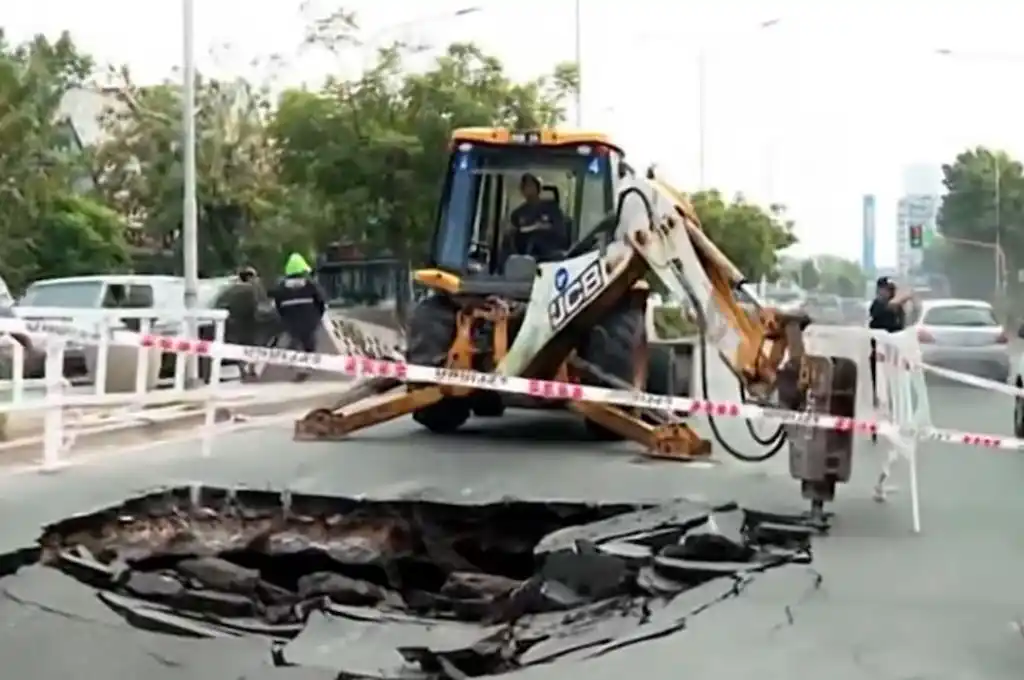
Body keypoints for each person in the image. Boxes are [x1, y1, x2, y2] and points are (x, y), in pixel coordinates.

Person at [867, 276, 913, 443]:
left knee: (897, 390)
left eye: (890, 289)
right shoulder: (877, 305)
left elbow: (904, 327)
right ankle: (875, 427)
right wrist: (902, 298)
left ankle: (897, 424)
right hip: (878, 357)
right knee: (878, 391)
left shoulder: (898, 308)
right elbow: (887, 308)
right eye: (885, 289)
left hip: (894, 355)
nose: (887, 292)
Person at [269, 253, 327, 381]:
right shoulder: (310, 284)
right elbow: (321, 301)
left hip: (291, 321)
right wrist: (318, 317)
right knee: (309, 343)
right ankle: (308, 365)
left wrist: (284, 319)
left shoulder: (281, 287)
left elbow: (278, 306)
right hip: (309, 319)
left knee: (294, 341)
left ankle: (298, 365)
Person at [216, 266, 266, 380]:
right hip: (251, 322)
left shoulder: (231, 290)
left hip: (235, 323)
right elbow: (258, 305)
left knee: (239, 348)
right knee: (253, 347)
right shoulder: (253, 290)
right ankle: (251, 370)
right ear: (250, 277)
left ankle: (242, 370)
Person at [505, 173, 569, 260]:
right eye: (525, 186)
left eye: (531, 185)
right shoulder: (517, 213)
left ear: (538, 187)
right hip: (526, 258)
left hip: (552, 254)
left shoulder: (552, 208)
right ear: (522, 190)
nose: (529, 189)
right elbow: (513, 236)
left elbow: (560, 231)